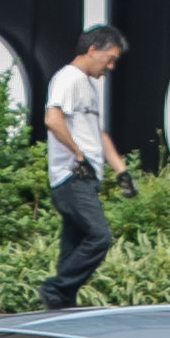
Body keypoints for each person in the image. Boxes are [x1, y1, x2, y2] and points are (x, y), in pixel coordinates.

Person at [39, 25, 127, 311]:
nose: (112, 66)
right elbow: (52, 120)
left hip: (85, 179)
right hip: (71, 178)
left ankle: (60, 310)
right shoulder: (68, 78)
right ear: (92, 50)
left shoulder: (87, 85)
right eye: (110, 58)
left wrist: (121, 170)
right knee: (99, 237)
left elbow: (97, 133)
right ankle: (55, 290)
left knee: (73, 250)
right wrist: (79, 156)